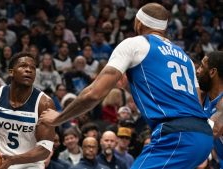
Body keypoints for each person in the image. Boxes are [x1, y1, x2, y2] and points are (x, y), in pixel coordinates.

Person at [40, 3, 214, 168]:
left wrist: (59, 118)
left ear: (138, 23)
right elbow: (194, 102)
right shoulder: (186, 58)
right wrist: (131, 87)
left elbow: (94, 93)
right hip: (203, 137)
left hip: (177, 135)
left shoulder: (135, 43)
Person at [0, 52, 56, 169]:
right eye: (23, 66)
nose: (29, 70)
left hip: (29, 165)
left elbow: (44, 149)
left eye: (33, 68)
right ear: (11, 72)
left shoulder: (44, 104)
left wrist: (13, 160)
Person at [196, 51, 223, 168]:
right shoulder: (205, 96)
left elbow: (212, 131)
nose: (197, 70)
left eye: (202, 66)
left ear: (212, 72)